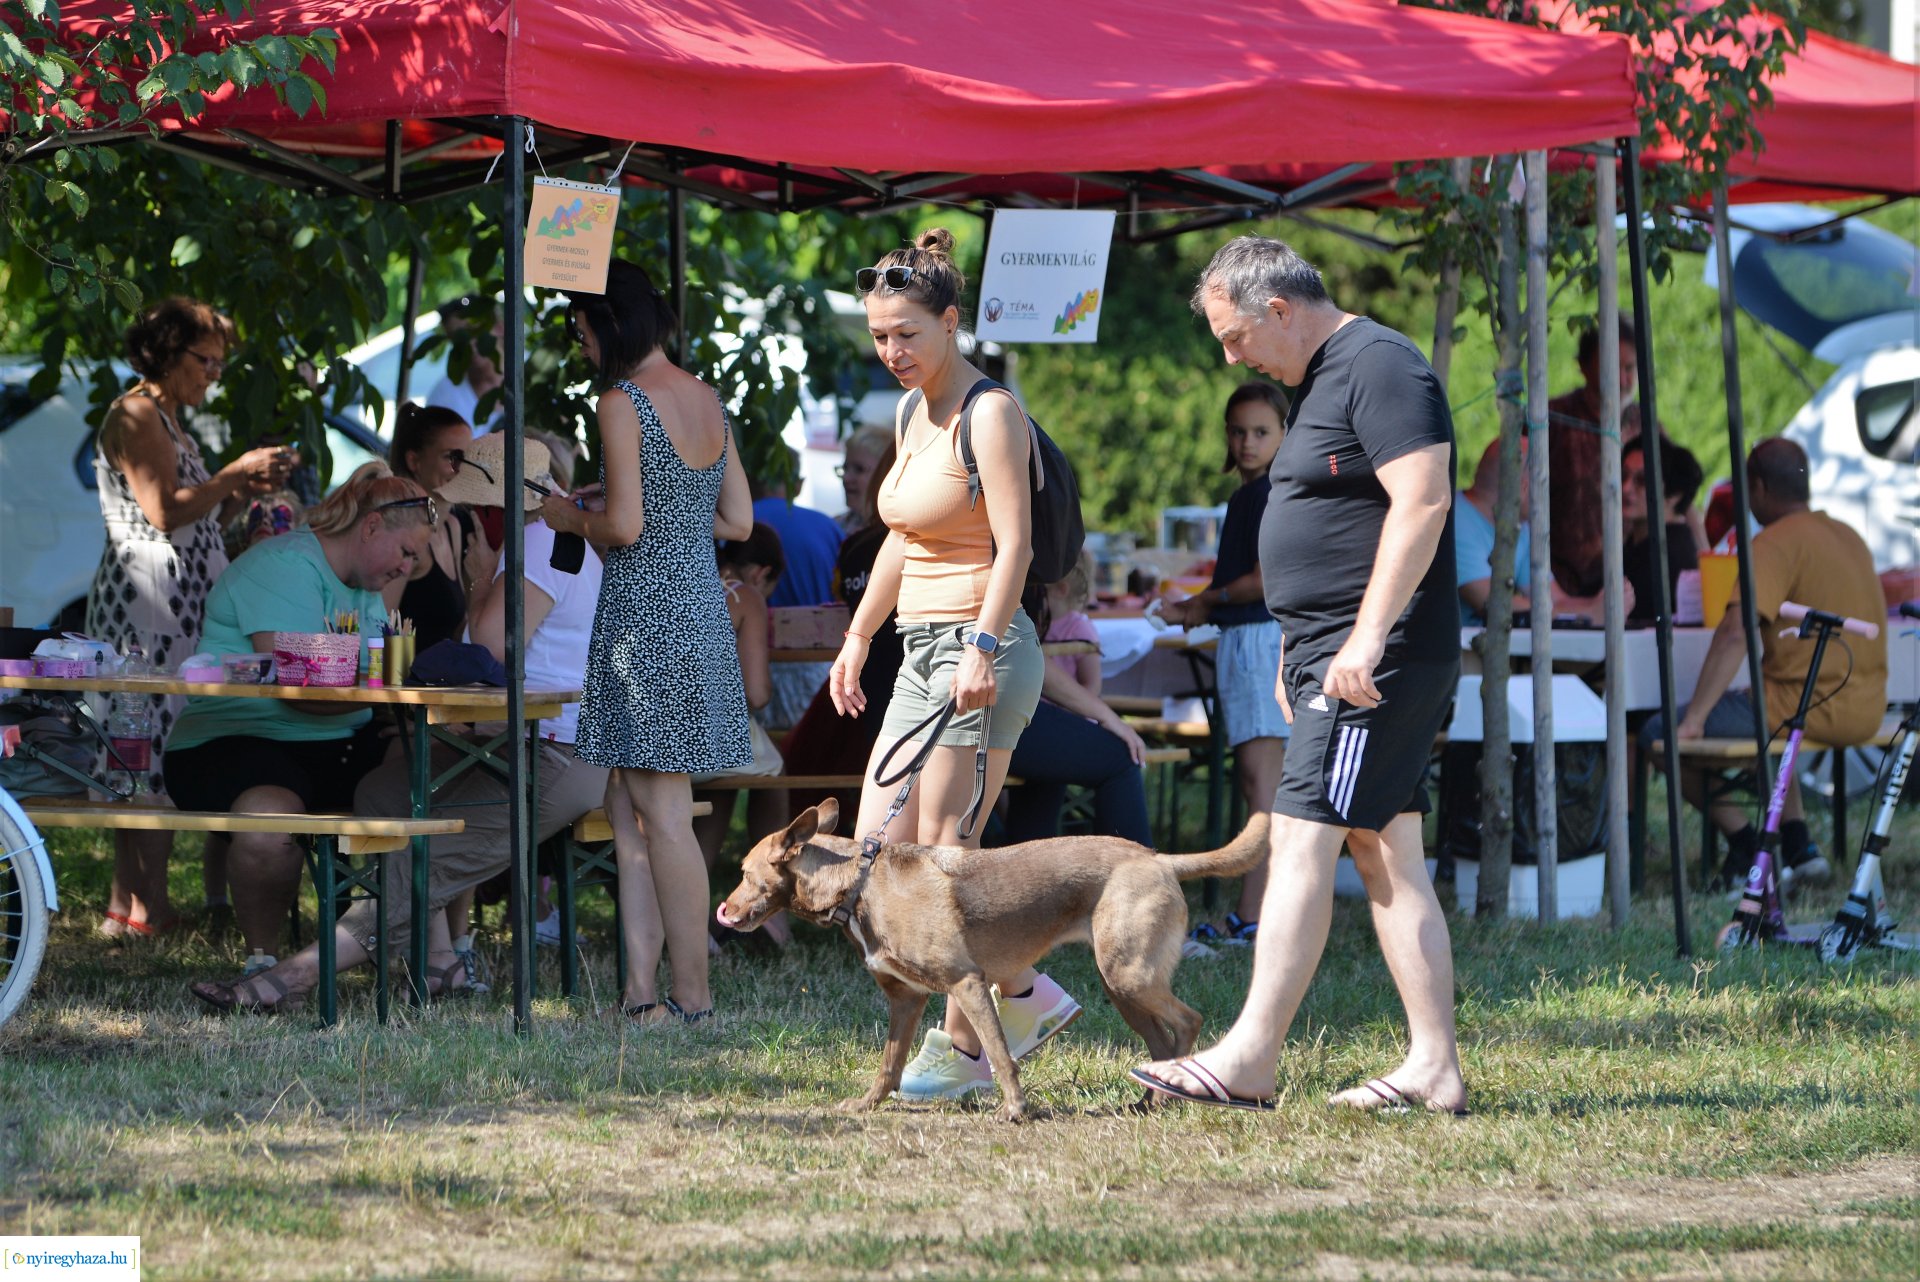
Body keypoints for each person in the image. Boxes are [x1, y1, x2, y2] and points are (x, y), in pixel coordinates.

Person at [1133, 235, 1467, 1115]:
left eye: (1234, 335)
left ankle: (1249, 1056)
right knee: (1387, 852)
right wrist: (1298, 643)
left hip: (1373, 661)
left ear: (1277, 309)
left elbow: (1423, 501)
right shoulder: (1318, 378)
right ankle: (1434, 1067)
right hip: (1335, 654)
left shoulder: (1383, 366)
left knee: (1303, 834)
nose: (1231, 356)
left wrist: (1359, 642)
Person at [186, 437, 610, 1012]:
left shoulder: (536, 544)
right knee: (384, 791)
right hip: (536, 742)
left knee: (421, 863)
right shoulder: (549, 539)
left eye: (471, 506)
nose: (465, 520)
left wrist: (479, 578)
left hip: (556, 753)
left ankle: (293, 976)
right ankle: (438, 964)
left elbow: (488, 649)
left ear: (496, 503)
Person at [827, 228, 1069, 1101]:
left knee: (941, 858)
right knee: (878, 854)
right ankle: (1026, 992)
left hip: (981, 648)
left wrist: (981, 648)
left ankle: (965, 1048)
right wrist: (858, 636)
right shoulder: (908, 408)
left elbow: (1016, 548)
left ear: (951, 322)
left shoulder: (990, 413)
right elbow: (903, 536)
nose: (891, 351)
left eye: (907, 335)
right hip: (916, 650)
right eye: (880, 335)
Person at [541, 259, 753, 1024]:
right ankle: (640, 998)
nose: (583, 344)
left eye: (583, 329)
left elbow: (624, 529)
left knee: (660, 814)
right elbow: (735, 521)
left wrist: (573, 518)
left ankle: (691, 999)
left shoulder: (621, 402)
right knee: (630, 811)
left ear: (610, 324)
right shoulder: (706, 399)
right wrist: (644, 508)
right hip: (695, 607)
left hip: (644, 619)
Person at [163, 463, 435, 966]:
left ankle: (423, 952)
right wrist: (386, 693)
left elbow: (355, 686)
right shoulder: (286, 564)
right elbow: (300, 688)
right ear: (371, 526)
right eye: (406, 553)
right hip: (236, 739)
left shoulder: (365, 590)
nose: (407, 569)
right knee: (269, 813)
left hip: (332, 742)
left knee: (434, 780)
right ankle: (263, 962)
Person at [86, 296, 295, 937]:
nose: (213, 373)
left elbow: (198, 522)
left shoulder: (171, 417)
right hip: (147, 609)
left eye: (219, 364)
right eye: (205, 360)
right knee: (144, 747)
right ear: (166, 354)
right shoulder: (138, 412)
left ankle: (128, 906)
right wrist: (234, 471)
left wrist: (235, 494)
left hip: (173, 603)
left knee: (145, 748)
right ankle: (146, 906)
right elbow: (164, 513)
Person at [1641, 438, 1887, 891]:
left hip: (1806, 708)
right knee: (1760, 705)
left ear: (1756, 486)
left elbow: (1736, 631)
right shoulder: (1849, 536)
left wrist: (1694, 719)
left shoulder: (1772, 543)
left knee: (1660, 734)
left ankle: (1747, 842)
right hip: (1868, 710)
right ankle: (1798, 845)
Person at [1160, 380, 1294, 945]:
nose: (1247, 442)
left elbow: (1264, 582)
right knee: (1257, 779)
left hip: (1263, 640)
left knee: (1264, 783)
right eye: (1238, 432)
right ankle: (1265, 913)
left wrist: (1204, 601)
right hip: (1250, 639)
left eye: (1261, 431)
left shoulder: (1267, 494)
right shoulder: (1252, 495)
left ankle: (1256, 916)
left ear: (1286, 434)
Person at [1001, 556, 1152, 848]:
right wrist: (1108, 718)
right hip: (988, 707)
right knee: (1120, 756)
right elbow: (1023, 657)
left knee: (1052, 763)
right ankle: (1134, 887)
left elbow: (1026, 657)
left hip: (992, 703)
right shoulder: (1014, 556)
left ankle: (1033, 876)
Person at [693, 523, 795, 946]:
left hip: (658, 735)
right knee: (773, 773)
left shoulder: (688, 581)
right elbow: (755, 693)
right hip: (713, 736)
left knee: (725, 786)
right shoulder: (744, 596)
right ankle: (772, 907)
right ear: (760, 575)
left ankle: (696, 918)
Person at [1454, 438, 1617, 627]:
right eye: (1543, 482)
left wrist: (1600, 605)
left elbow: (1552, 599)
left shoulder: (1519, 525)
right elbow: (1494, 604)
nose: (1548, 494)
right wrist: (1585, 615)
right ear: (1522, 486)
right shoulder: (1457, 522)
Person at [385, 403, 497, 653]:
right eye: (452, 458)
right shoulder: (406, 533)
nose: (463, 469)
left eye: (469, 459)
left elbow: (455, 628)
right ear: (414, 461)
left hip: (444, 685)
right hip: (408, 686)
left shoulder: (453, 526)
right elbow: (380, 625)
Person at [1546, 317, 1640, 598]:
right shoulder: (1552, 419)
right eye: (1613, 368)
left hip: (1629, 585)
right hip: (1562, 587)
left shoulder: (1644, 424)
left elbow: (1677, 495)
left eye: (1630, 368)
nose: (1623, 380)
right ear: (1585, 368)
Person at [754, 447, 846, 727]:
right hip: (819, 663)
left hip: (756, 660)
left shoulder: (741, 524)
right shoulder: (826, 526)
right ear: (798, 483)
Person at [1622, 434, 1704, 624]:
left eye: (1641, 480)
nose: (1626, 488)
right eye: (1623, 475)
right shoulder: (1643, 544)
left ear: (1674, 494)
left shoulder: (1670, 556)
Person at [426, 296, 505, 437]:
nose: (468, 343)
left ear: (499, 328)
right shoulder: (443, 398)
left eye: (474, 330)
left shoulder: (535, 374)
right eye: (457, 338)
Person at [835, 425, 894, 534]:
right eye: (845, 468)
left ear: (886, 473)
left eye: (859, 469)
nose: (846, 478)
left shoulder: (897, 535)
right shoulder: (834, 528)